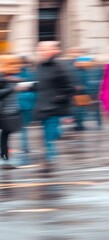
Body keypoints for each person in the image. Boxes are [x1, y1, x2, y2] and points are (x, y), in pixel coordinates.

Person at [33, 41, 74, 172]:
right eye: (40, 49)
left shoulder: (59, 66)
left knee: (49, 137)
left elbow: (68, 87)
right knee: (47, 135)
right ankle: (50, 156)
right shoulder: (39, 65)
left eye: (45, 49)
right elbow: (40, 85)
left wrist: (58, 99)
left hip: (53, 107)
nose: (42, 52)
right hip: (42, 106)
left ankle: (49, 161)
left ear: (52, 51)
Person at [0, 54, 28, 169]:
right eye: (14, 64)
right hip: (3, 112)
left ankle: (5, 159)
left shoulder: (11, 77)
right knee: (5, 135)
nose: (17, 66)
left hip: (9, 111)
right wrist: (12, 88)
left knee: (5, 134)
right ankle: (5, 159)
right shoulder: (2, 78)